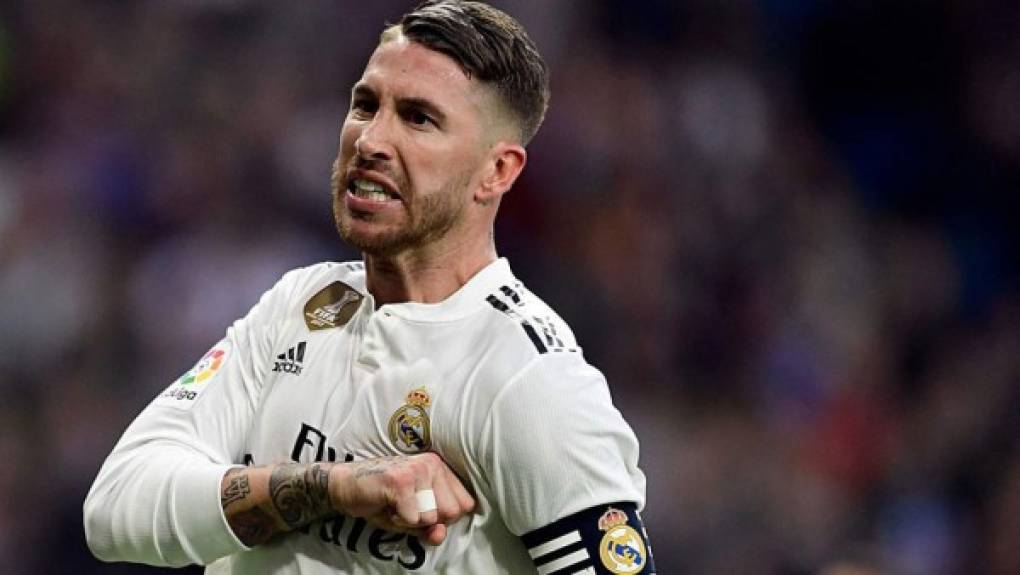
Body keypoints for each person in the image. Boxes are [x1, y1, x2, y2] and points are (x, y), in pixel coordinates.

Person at [83, 1, 656, 573]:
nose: (371, 140)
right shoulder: (299, 306)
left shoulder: (529, 380)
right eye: (365, 104)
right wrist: (332, 487)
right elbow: (113, 512)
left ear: (497, 172)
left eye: (418, 118)